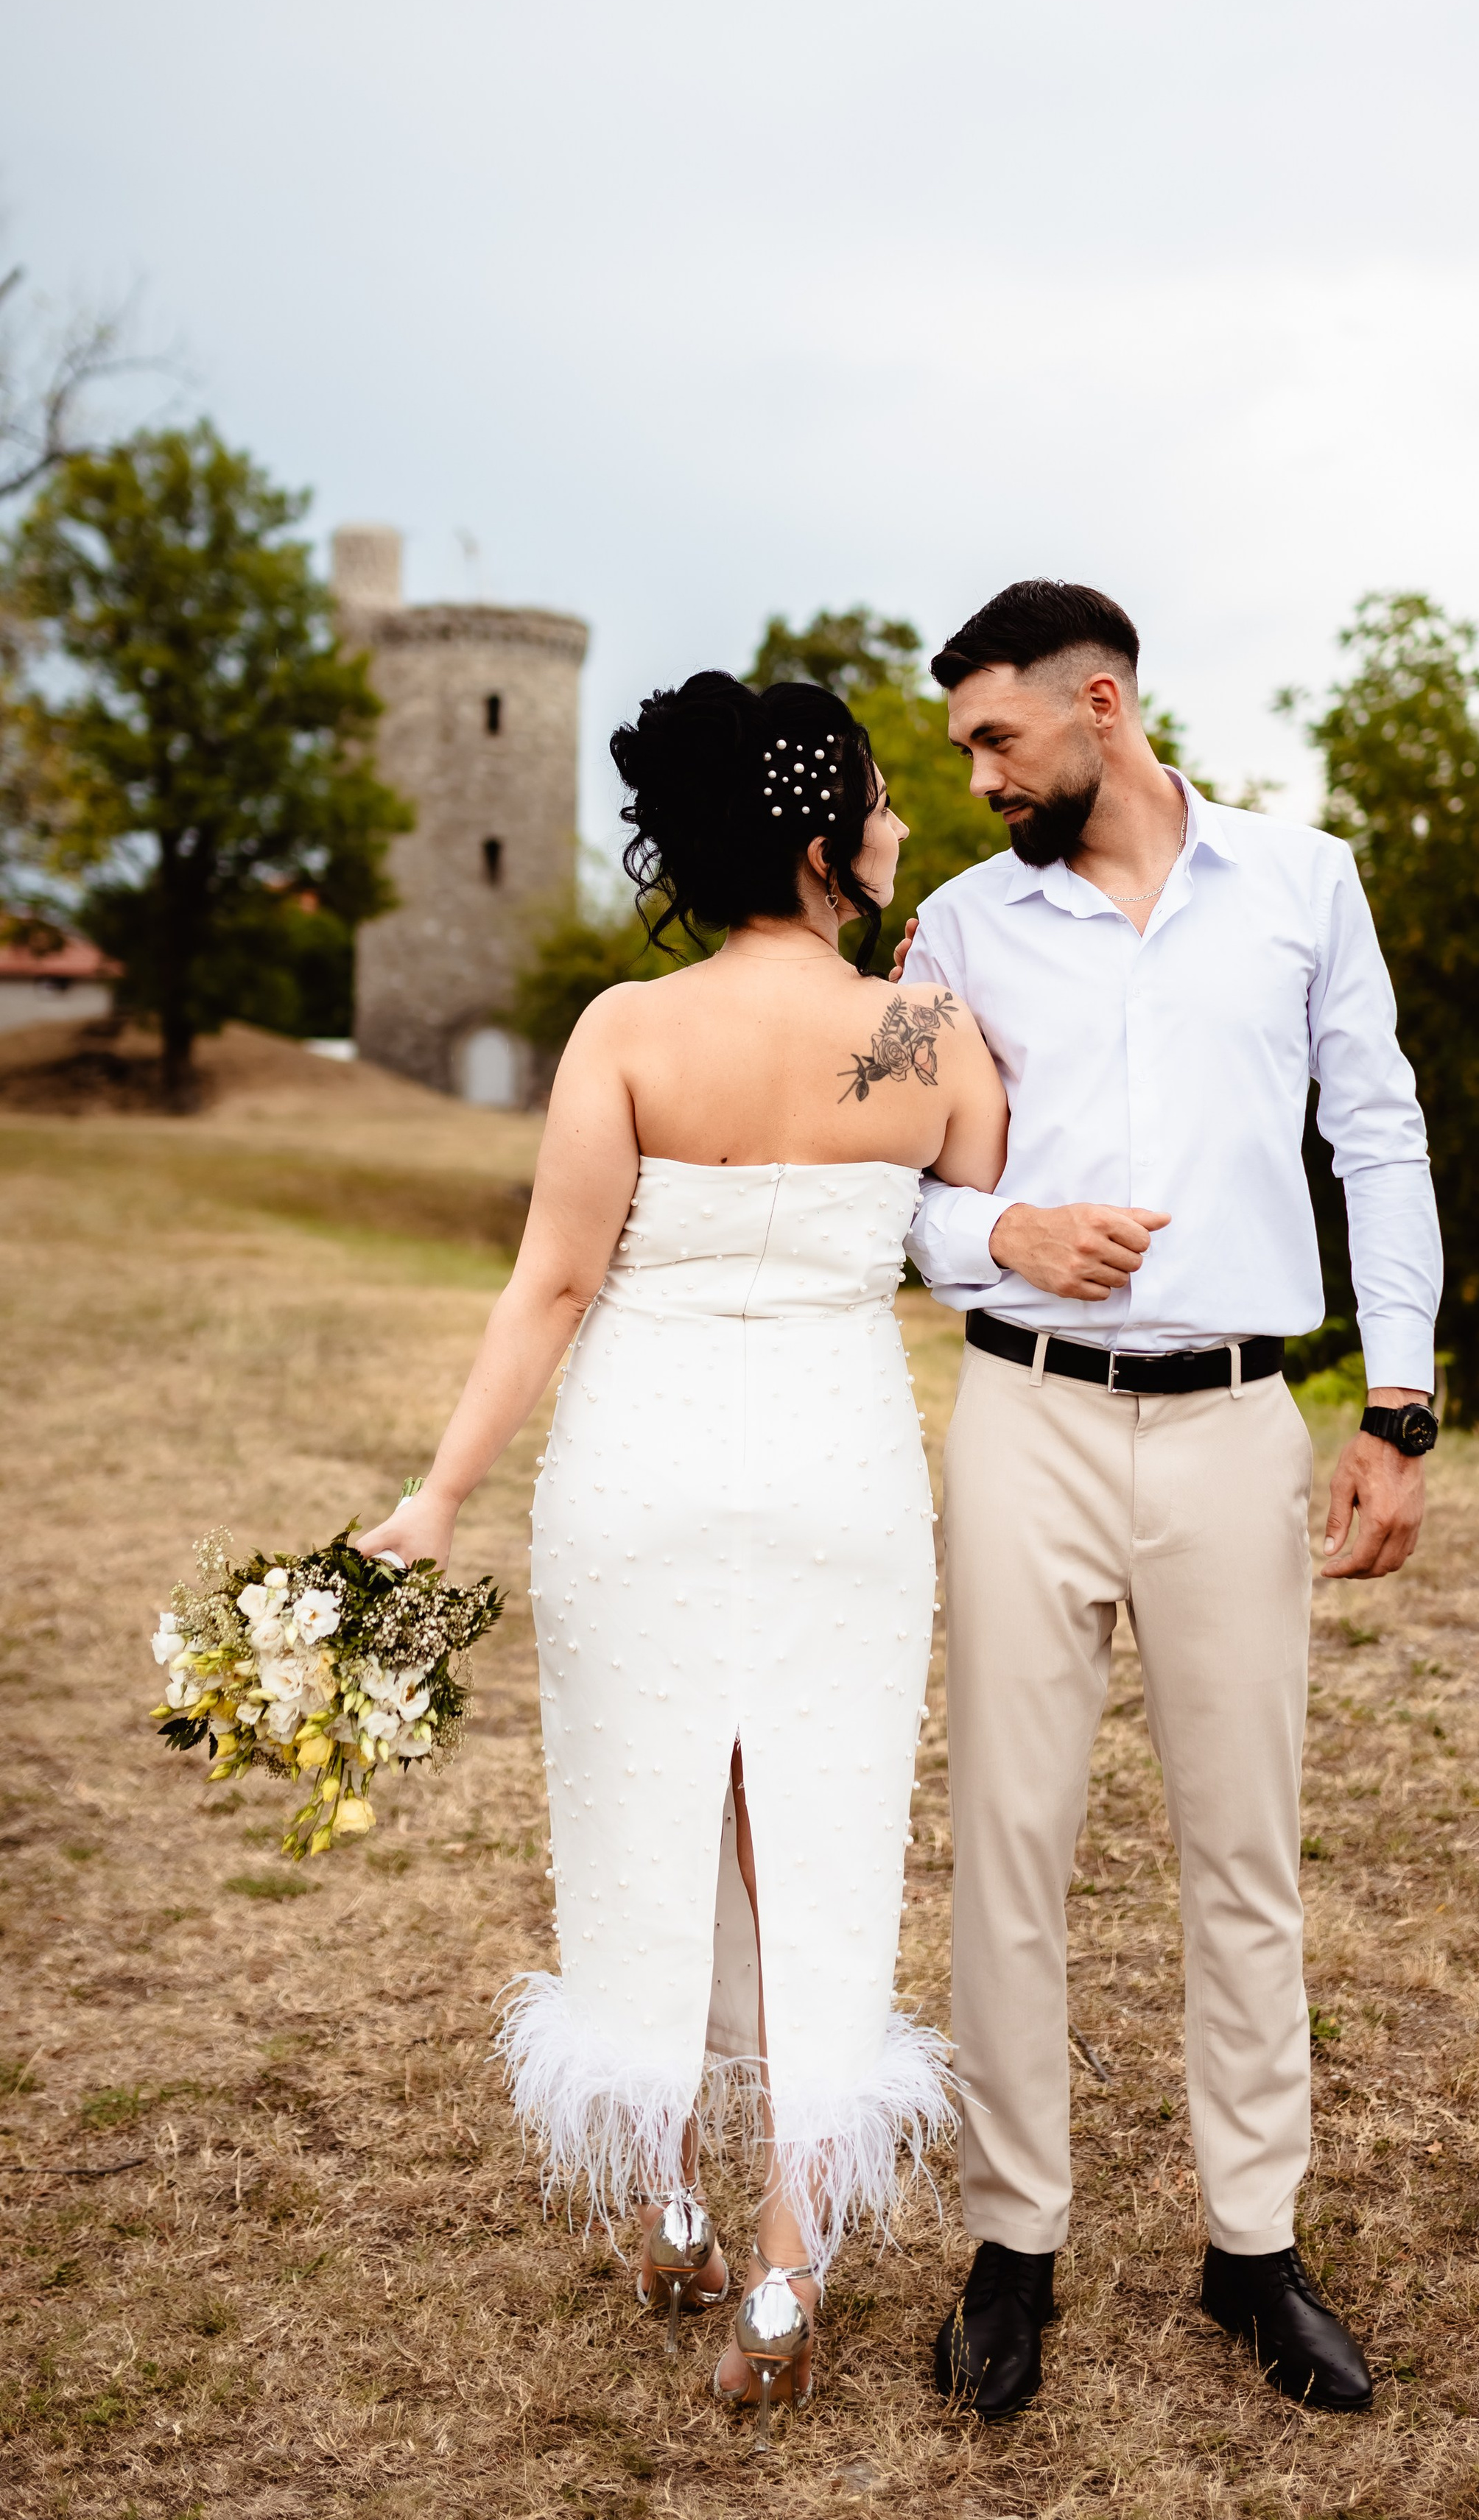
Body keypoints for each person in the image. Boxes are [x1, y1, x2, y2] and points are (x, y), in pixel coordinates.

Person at [357, 671, 1007, 2429]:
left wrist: (437, 1497)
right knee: (822, 1850)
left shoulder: (628, 1029)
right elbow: (972, 1204)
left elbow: (555, 1282)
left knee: (640, 1821)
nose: (897, 826)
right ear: (818, 845)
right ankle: (789, 2262)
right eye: (877, 803)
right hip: (833, 1477)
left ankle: (663, 2206)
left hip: (637, 1474)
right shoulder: (926, 1032)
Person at [896, 581, 1442, 2419]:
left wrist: (1397, 1404)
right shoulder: (953, 929)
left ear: (1100, 707)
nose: (977, 776)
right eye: (962, 748)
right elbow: (889, 1183)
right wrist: (1005, 1232)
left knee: (1243, 1850)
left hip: (1232, 1424)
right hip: (1023, 1417)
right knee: (1009, 1840)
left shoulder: (1303, 882)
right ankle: (1010, 2247)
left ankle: (1251, 2248)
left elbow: (1378, 1136)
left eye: (995, 738)